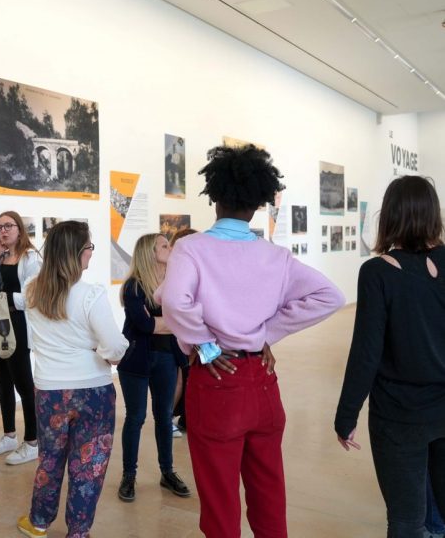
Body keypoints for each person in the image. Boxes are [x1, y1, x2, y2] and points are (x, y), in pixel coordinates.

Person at [159, 144, 344, 538]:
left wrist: (206, 344)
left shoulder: (191, 249)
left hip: (217, 383)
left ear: (214, 198)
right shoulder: (275, 256)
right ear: (259, 203)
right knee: (269, 497)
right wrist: (266, 334)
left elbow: (174, 302)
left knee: (220, 502)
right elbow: (332, 296)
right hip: (262, 381)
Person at [334, 175, 445, 537]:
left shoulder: (378, 272)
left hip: (399, 417)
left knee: (406, 519)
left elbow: (367, 351)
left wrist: (346, 414)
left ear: (389, 216)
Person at [16, 221, 128, 538]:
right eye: (90, 248)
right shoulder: (90, 295)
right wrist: (98, 348)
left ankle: (38, 522)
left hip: (50, 390)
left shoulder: (33, 290)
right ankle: (77, 532)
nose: (92, 254)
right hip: (93, 390)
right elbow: (115, 347)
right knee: (88, 466)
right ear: (78, 254)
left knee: (49, 460)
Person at [116, 233, 191, 503]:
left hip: (168, 359)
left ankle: (167, 472)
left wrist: (160, 322)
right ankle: (128, 475)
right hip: (136, 362)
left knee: (164, 416)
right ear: (150, 252)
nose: (170, 248)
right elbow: (145, 325)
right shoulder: (134, 286)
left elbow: (186, 317)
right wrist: (171, 321)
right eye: (164, 245)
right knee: (135, 418)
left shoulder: (175, 283)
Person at [0, 211, 42, 465]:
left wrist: (0, 299)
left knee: (24, 384)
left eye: (8, 226)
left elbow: (30, 298)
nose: (3, 231)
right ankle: (9, 435)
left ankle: (32, 441)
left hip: (16, 325)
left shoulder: (31, 258)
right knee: (2, 381)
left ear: (20, 228)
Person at [168, 227, 198, 437]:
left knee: (187, 378)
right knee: (180, 378)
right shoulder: (173, 271)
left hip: (189, 335)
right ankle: (167, 418)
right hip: (179, 336)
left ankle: (187, 418)